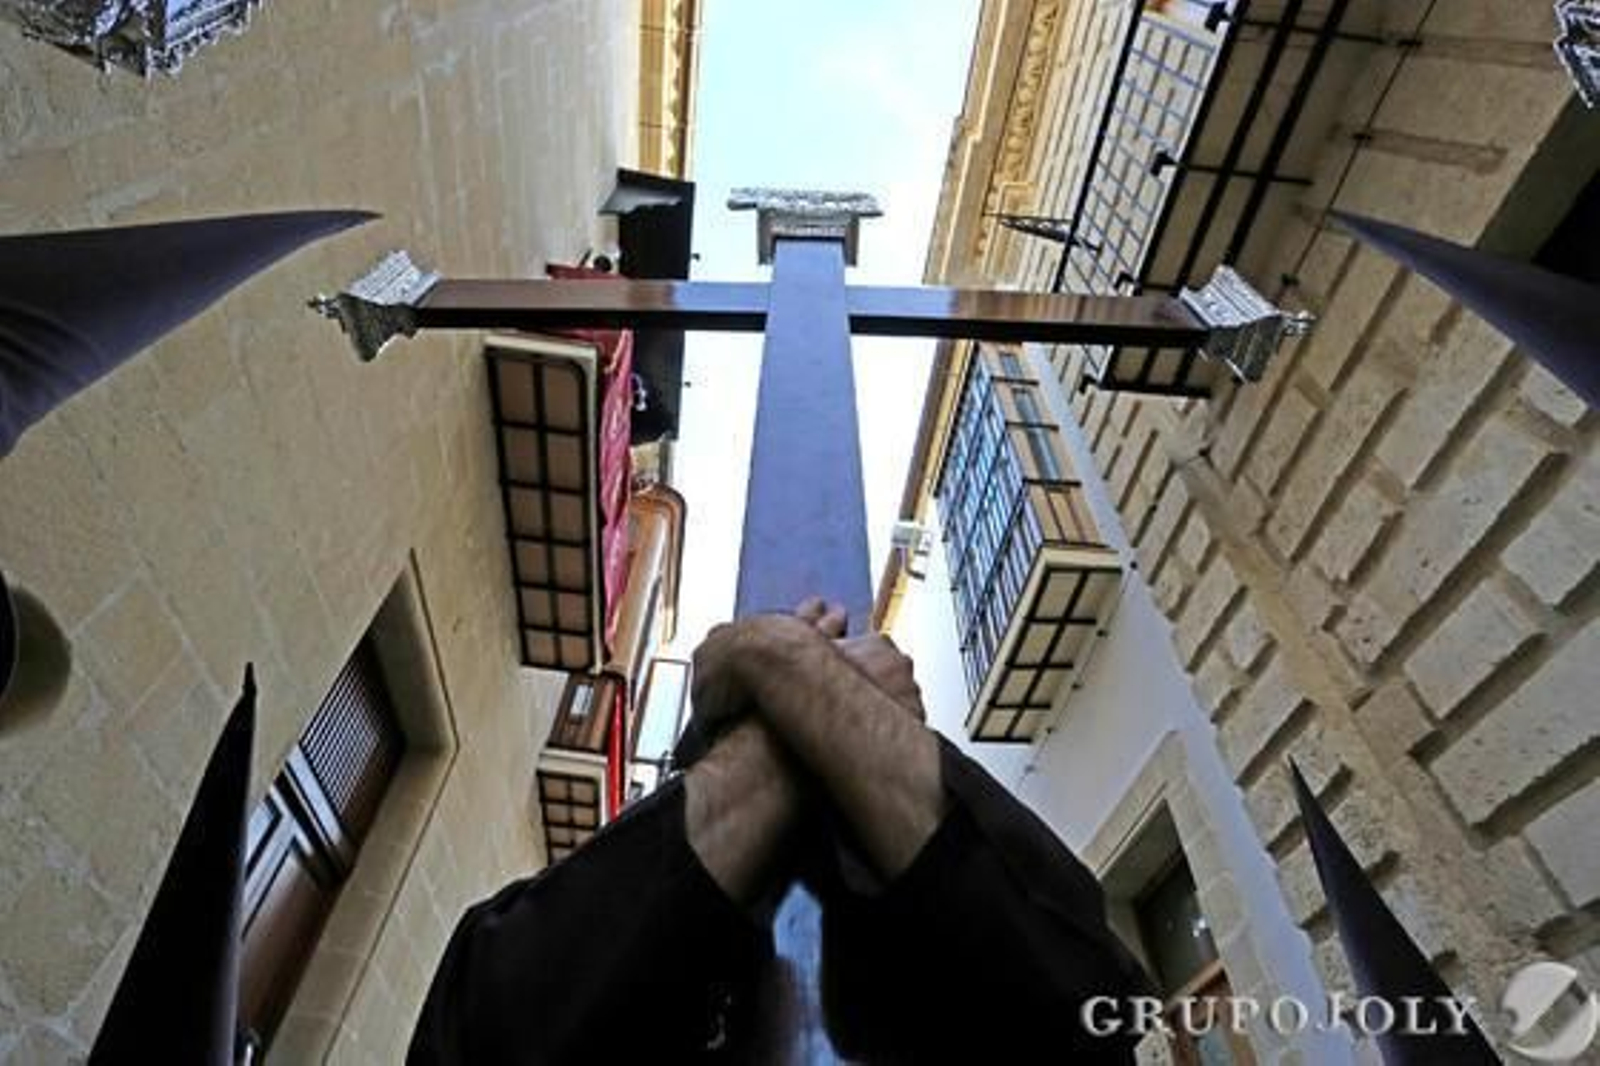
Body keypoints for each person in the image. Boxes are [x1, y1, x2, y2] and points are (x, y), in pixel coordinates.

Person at [408, 599, 1150, 1064]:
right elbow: (486, 1033)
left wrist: (767, 659)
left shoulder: (944, 974)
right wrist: (800, 677)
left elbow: (1081, 1006)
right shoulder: (579, 968)